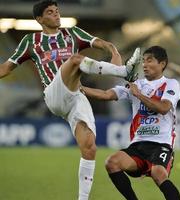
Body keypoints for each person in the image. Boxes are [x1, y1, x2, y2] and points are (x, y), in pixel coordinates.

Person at [0, 1, 141, 199]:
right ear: (40, 19)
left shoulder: (72, 33)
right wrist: (119, 69)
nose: (56, 15)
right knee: (75, 60)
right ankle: (125, 72)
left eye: (57, 11)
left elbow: (104, 44)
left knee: (90, 146)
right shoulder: (31, 41)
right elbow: (7, 67)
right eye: (50, 12)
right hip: (53, 94)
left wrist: (115, 53)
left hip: (76, 96)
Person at [82, 46, 180, 200]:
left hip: (161, 144)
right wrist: (77, 88)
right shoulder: (137, 85)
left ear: (162, 63)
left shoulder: (171, 84)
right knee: (112, 163)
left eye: (150, 61)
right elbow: (105, 94)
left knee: (158, 173)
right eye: (143, 61)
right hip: (138, 145)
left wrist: (138, 95)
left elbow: (163, 108)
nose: (145, 65)